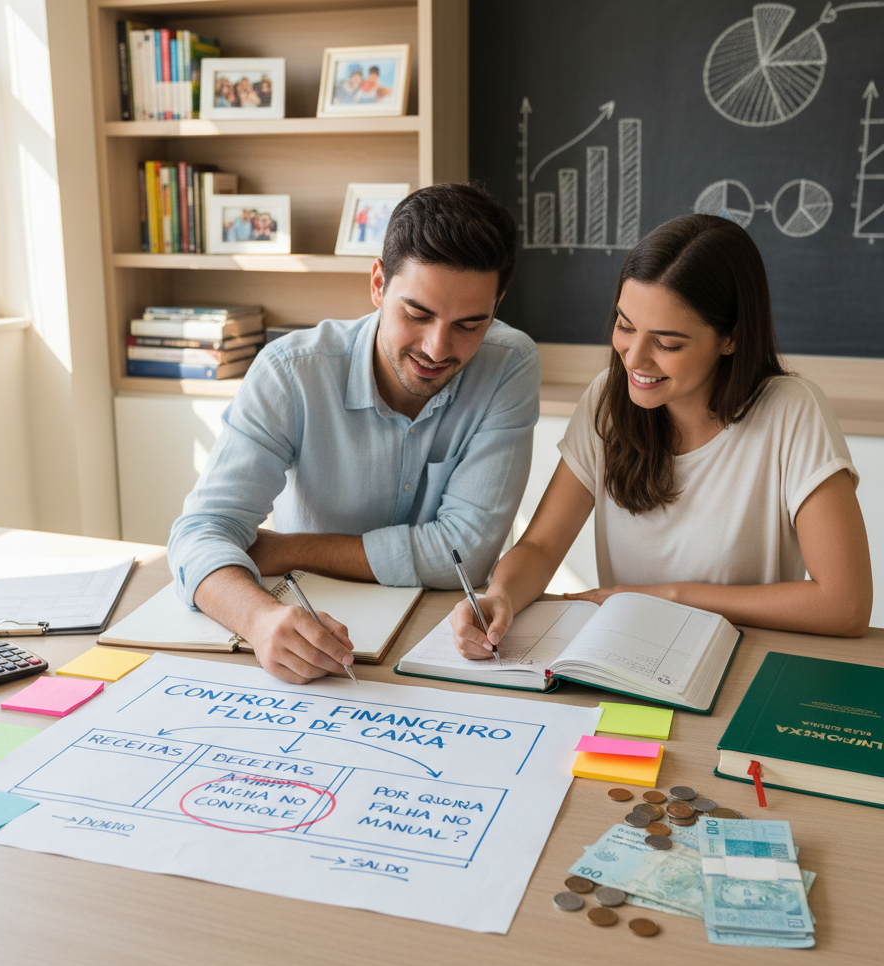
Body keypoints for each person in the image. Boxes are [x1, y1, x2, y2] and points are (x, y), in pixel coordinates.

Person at [451, 213, 872, 661]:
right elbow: (541, 545)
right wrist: (501, 595)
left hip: (743, 662)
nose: (635, 358)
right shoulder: (607, 403)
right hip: (629, 660)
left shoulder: (792, 411)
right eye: (625, 326)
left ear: (731, 338)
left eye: (667, 344)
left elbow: (844, 605)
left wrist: (669, 597)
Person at [168, 183, 542, 684]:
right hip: (309, 631)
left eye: (470, 324)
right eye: (418, 314)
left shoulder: (510, 364)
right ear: (377, 284)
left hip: (447, 646)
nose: (437, 347)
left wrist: (289, 548)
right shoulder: (290, 371)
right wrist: (258, 620)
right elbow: (199, 534)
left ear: (495, 308)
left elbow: (467, 552)